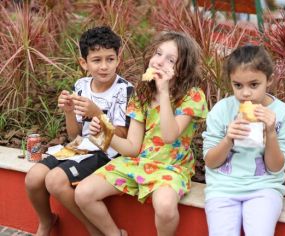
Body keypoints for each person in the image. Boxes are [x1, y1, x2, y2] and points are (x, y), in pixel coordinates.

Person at [74, 31, 208, 236]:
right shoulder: (142, 94)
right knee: (83, 193)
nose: (160, 61)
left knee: (164, 207)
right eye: (158, 53)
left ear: (182, 69)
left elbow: (169, 136)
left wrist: (163, 93)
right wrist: (104, 129)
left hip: (170, 167)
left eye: (171, 59)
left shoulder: (192, 96)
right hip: (139, 162)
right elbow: (132, 148)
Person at [25, 26, 133, 236]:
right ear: (84, 63)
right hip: (81, 147)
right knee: (34, 177)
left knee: (55, 180)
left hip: (107, 153)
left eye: (110, 59)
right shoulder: (81, 85)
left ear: (118, 59)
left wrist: (97, 115)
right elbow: (75, 135)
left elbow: (122, 137)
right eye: (97, 60)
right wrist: (68, 111)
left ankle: (98, 231)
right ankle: (47, 222)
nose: (104, 66)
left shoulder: (124, 90)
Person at [202, 45, 285, 236]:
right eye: (238, 85)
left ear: (269, 80)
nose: (245, 93)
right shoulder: (222, 110)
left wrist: (270, 133)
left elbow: (275, 168)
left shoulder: (283, 114)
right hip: (222, 188)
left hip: (264, 189)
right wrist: (229, 138)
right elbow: (210, 162)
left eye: (254, 85)